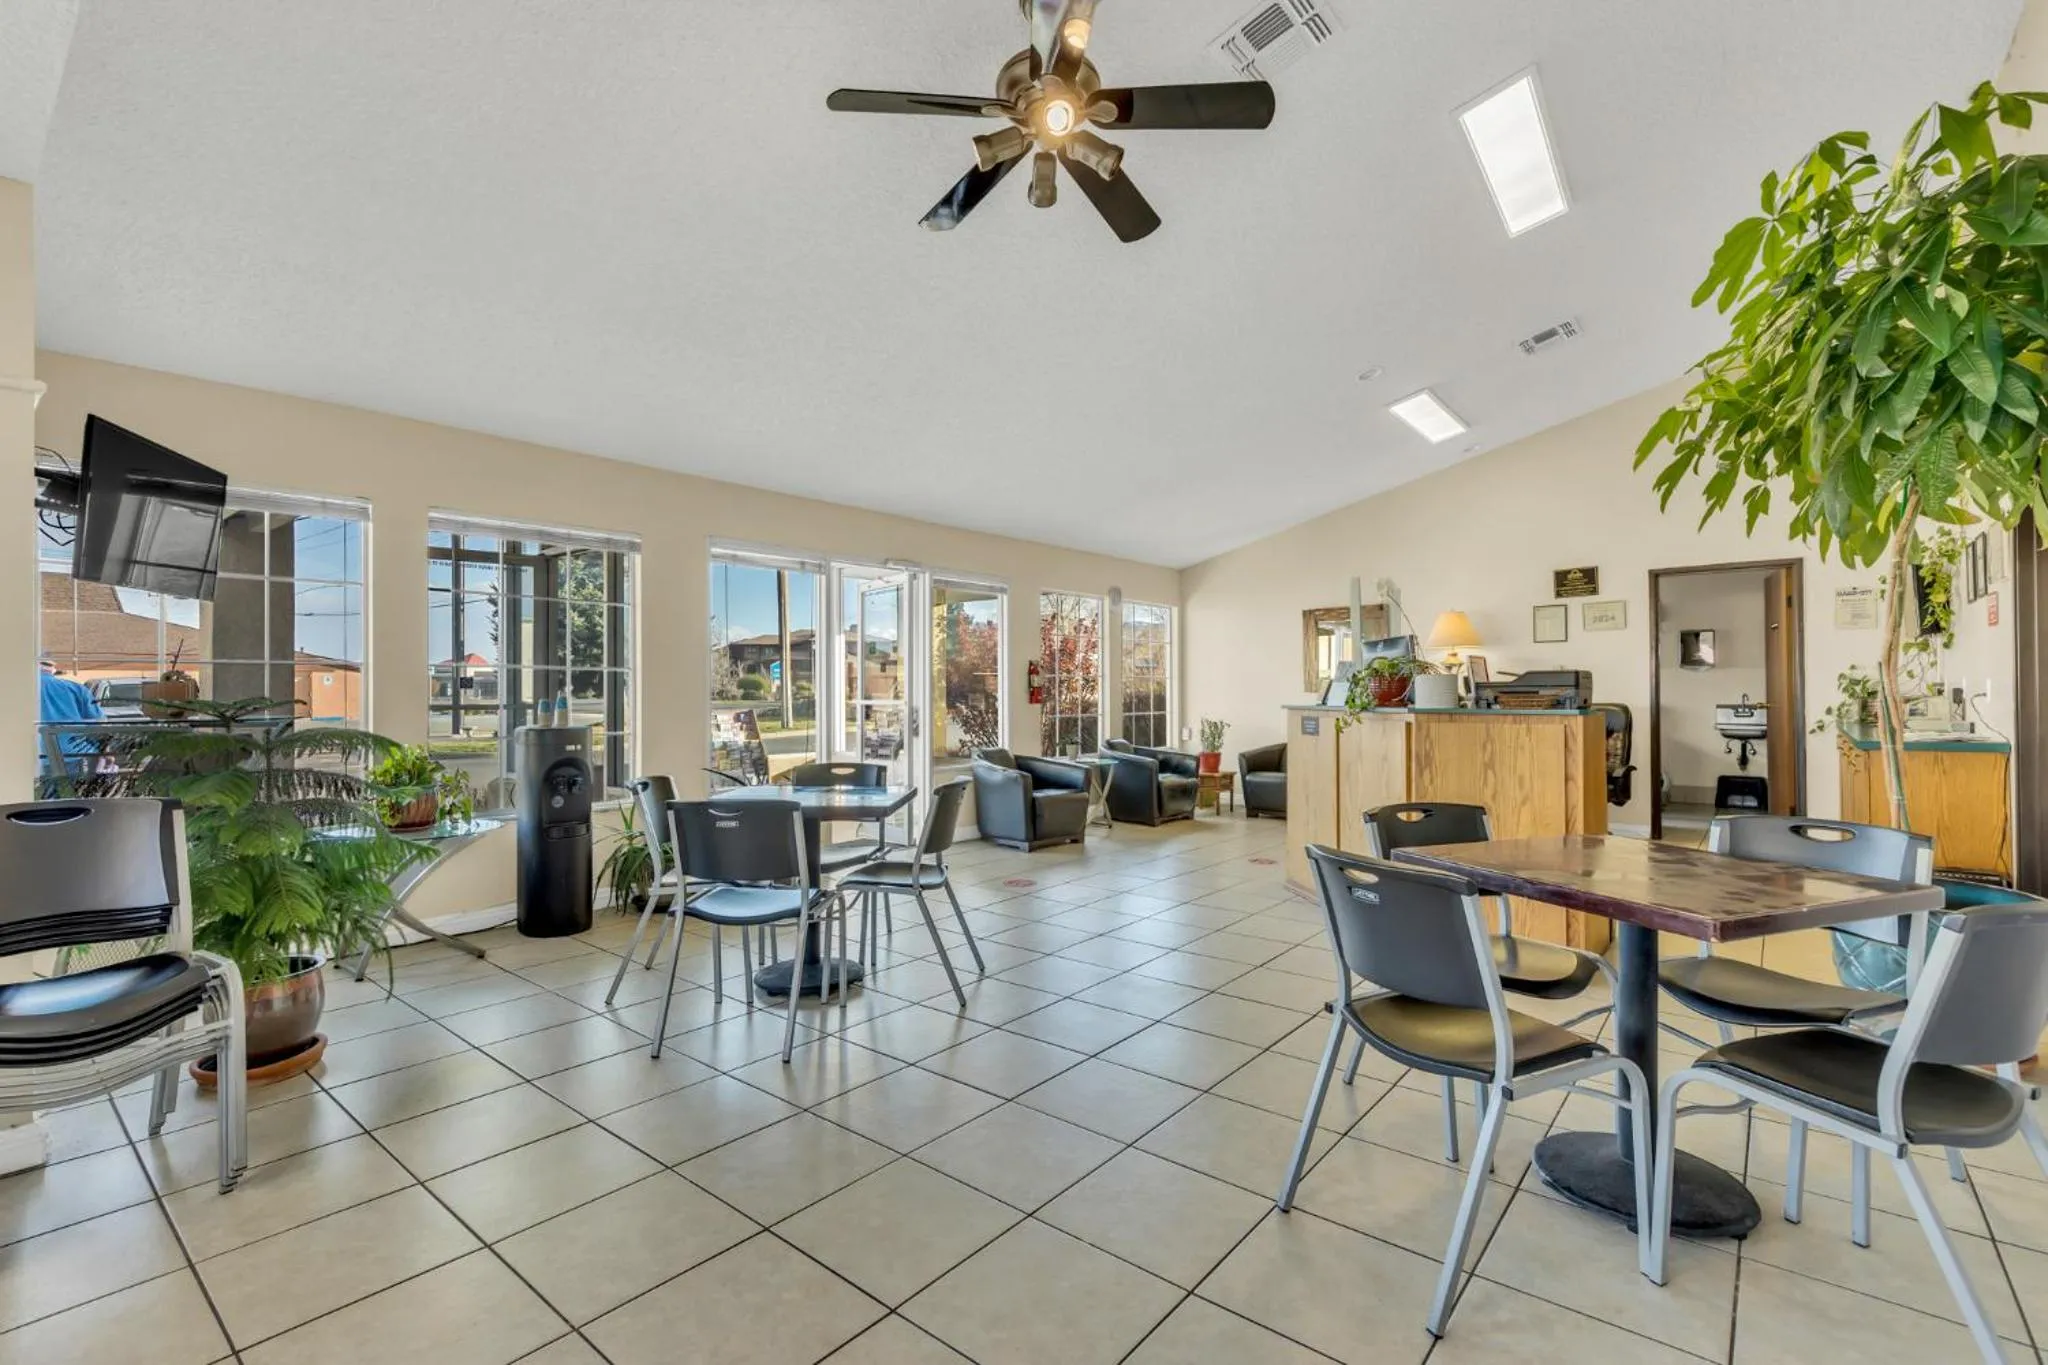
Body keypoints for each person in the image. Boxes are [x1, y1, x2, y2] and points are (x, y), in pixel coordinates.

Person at [38, 659, 105, 774]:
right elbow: (99, 726)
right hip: (70, 755)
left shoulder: (13, 689)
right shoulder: (76, 689)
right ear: (52, 670)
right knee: (65, 791)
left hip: (26, 757)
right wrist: (102, 752)